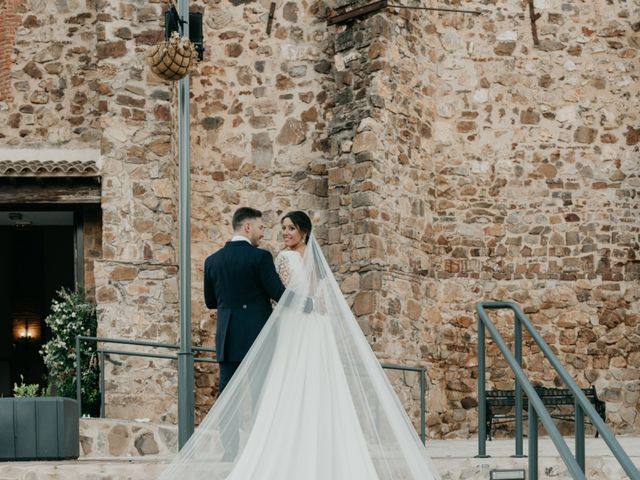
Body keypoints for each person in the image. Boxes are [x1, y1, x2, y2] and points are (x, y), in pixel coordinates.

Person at [159, 211, 440, 480]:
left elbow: (221, 300)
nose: (281, 233)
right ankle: (307, 445)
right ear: (248, 227)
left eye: (289, 228)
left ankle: (236, 452)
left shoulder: (216, 260)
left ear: (303, 232)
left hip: (249, 332)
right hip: (307, 325)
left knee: (244, 389)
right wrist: (305, 304)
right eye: (276, 228)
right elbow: (284, 293)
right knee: (290, 388)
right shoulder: (274, 258)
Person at [203, 207, 285, 394]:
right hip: (257, 337)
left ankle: (228, 426)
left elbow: (210, 302)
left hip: (228, 339)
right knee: (260, 394)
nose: (262, 233)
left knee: (228, 395)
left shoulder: (212, 261)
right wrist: (308, 304)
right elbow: (279, 294)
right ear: (248, 227)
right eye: (261, 228)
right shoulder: (260, 257)